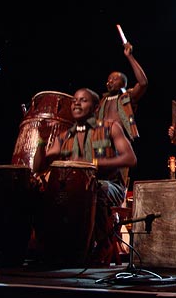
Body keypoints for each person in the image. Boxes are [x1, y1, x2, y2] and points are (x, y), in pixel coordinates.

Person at [33, 87, 138, 265]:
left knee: (96, 189)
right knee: (40, 191)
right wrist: (41, 141)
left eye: (83, 100)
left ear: (96, 107)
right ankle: (50, 246)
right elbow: (39, 167)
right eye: (75, 100)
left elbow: (131, 158)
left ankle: (103, 245)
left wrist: (93, 165)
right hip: (75, 190)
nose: (76, 103)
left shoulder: (110, 127)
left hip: (110, 186)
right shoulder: (65, 136)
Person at [97, 41, 148, 141]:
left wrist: (130, 56)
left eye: (114, 79)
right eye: (109, 80)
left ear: (123, 83)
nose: (110, 81)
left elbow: (143, 83)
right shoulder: (102, 101)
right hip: (101, 139)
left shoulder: (127, 97)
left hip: (120, 139)